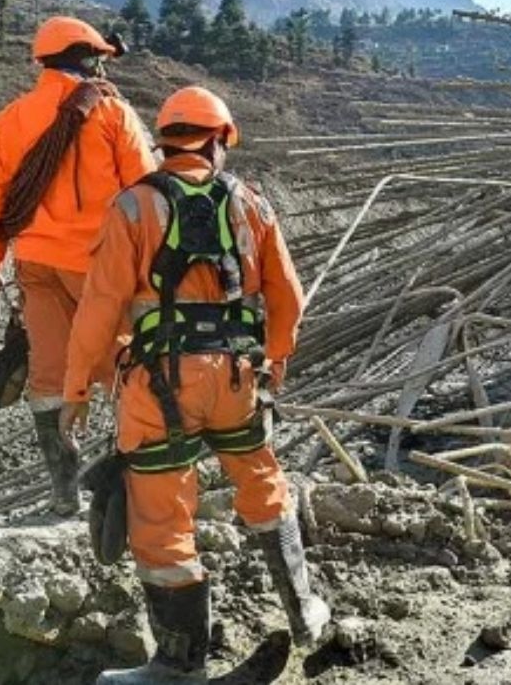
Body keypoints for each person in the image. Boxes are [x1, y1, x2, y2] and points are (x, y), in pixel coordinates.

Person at [60, 86, 329, 683]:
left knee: (161, 518)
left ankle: (179, 666)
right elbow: (288, 296)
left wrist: (77, 389)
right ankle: (304, 610)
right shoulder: (253, 205)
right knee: (260, 479)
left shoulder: (132, 208)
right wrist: (276, 359)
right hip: (236, 377)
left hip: (160, 383)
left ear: (167, 140)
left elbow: (99, 309)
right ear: (218, 140)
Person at [0, 16, 155, 516]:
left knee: (49, 375)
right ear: (88, 57)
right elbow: (145, 189)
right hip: (99, 267)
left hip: (35, 265)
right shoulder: (113, 115)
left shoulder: (10, 119)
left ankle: (64, 489)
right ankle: (135, 478)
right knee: (118, 365)